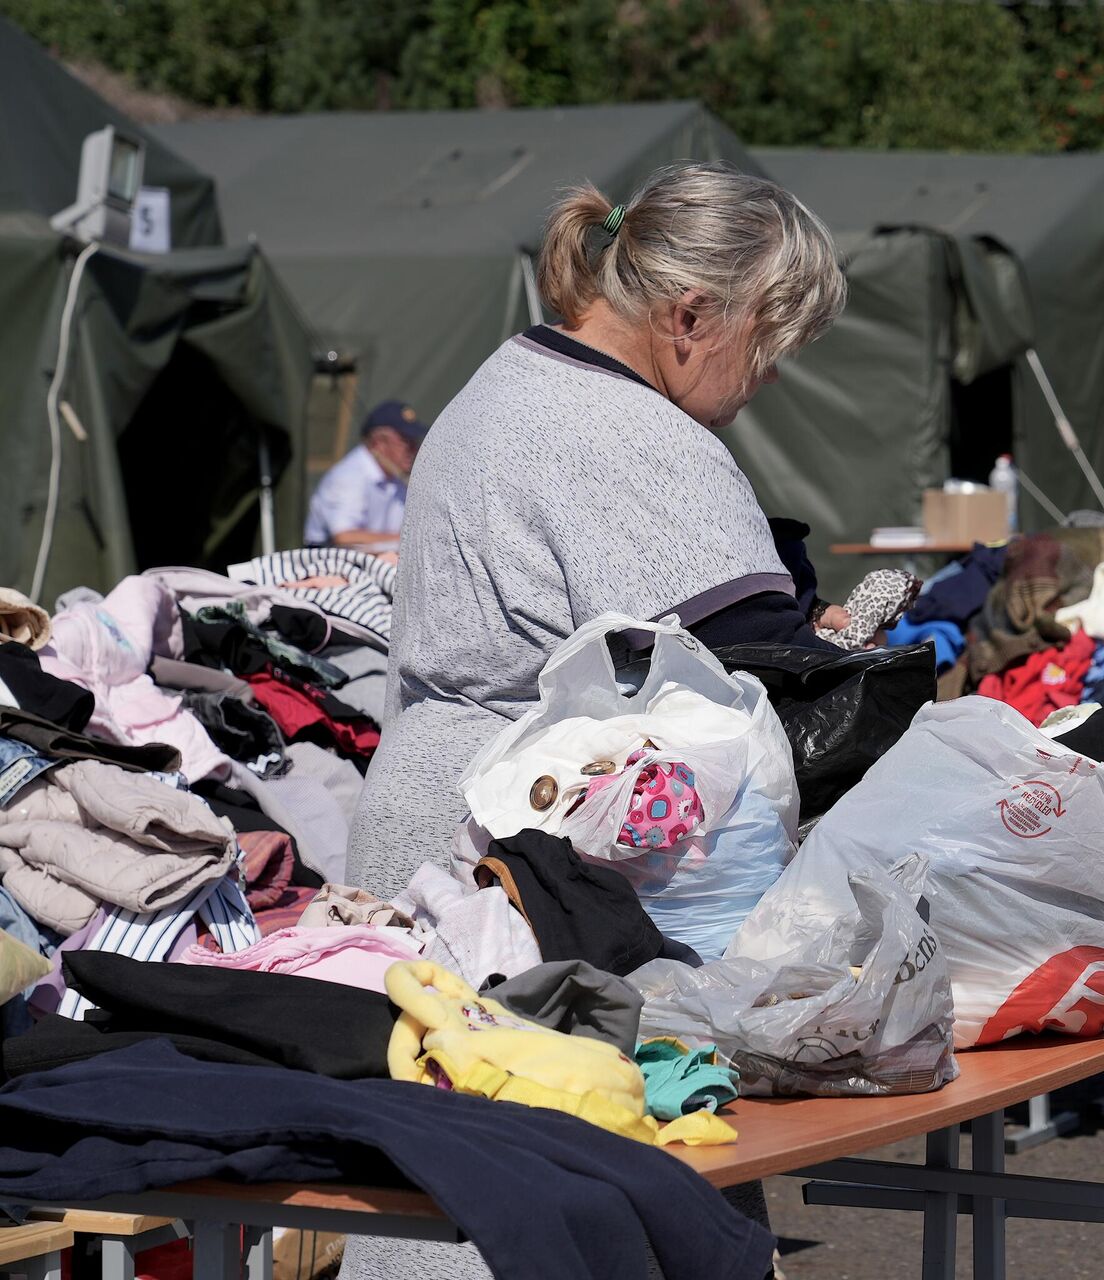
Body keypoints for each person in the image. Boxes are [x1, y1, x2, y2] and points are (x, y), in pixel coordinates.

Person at [340, 163, 844, 1280]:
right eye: (765, 341)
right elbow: (757, 678)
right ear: (691, 316)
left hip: (439, 819)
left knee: (441, 1178)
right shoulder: (632, 438)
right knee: (552, 1196)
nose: (763, 377)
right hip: (524, 865)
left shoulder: (501, 383)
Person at [303, 400, 427, 548]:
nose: (413, 449)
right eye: (406, 441)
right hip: (328, 563)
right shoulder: (349, 476)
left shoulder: (397, 477)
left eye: (414, 441)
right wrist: (409, 539)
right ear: (378, 443)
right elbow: (344, 536)